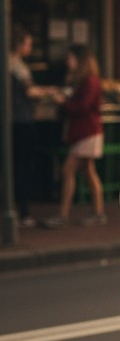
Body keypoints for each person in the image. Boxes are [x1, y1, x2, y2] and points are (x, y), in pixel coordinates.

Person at [43, 44, 106, 227]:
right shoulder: (83, 79)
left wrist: (63, 102)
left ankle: (63, 215)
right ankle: (98, 212)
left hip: (86, 132)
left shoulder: (89, 80)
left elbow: (83, 106)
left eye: (70, 58)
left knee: (68, 170)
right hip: (86, 132)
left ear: (80, 60)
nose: (68, 62)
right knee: (88, 172)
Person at [9, 27, 49, 228]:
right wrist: (48, 92)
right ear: (19, 45)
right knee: (24, 166)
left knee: (13, 166)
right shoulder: (18, 67)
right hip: (22, 121)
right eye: (28, 44)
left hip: (10, 122)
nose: (30, 49)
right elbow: (30, 92)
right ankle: (23, 211)